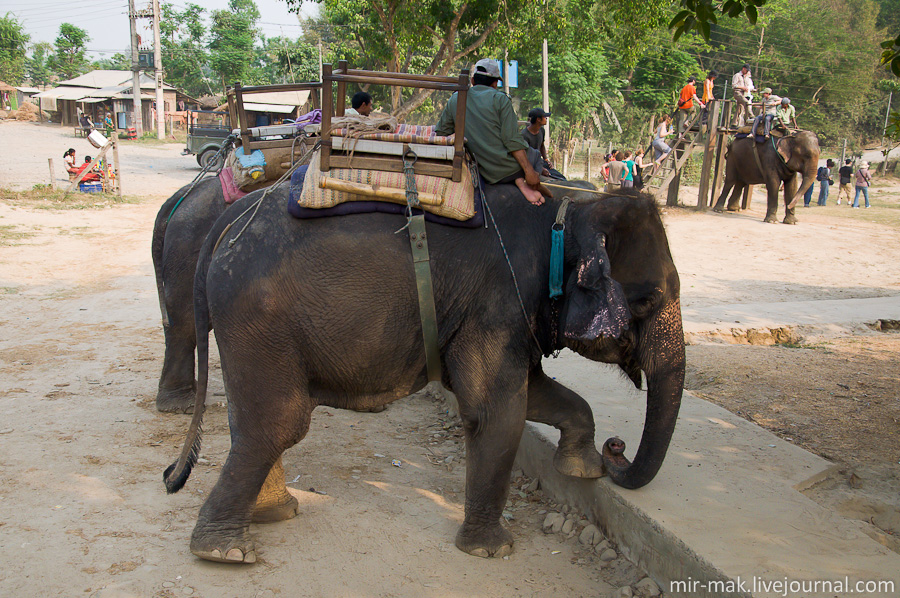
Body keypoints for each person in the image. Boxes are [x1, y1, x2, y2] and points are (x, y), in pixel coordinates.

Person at [435, 58, 547, 205]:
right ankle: (521, 180)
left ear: (473, 81)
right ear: (495, 83)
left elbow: (442, 131)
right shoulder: (500, 99)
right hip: (507, 169)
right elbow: (512, 141)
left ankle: (519, 180)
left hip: (481, 168)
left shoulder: (456, 99)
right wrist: (530, 172)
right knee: (536, 155)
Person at [521, 108, 555, 177]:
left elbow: (542, 146)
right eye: (545, 117)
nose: (546, 119)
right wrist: (540, 169)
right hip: (529, 164)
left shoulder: (541, 131)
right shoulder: (524, 135)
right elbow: (525, 156)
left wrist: (546, 160)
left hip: (539, 162)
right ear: (538, 119)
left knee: (559, 176)